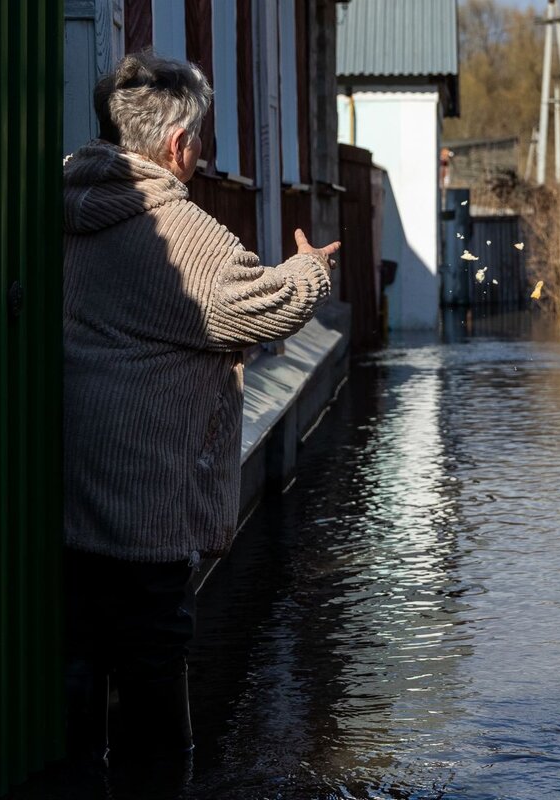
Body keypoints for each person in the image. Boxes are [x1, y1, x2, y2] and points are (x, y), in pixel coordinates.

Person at [62, 52, 339, 767]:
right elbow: (265, 309)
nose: (203, 153)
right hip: (144, 497)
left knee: (78, 651)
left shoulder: (65, 197)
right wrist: (311, 271)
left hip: (68, 481)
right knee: (156, 656)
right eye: (201, 140)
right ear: (179, 146)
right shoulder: (181, 234)